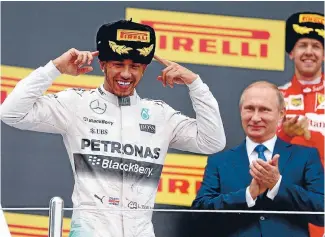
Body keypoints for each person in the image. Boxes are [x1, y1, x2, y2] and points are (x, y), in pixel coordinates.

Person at [0, 19, 226, 237]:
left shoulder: (160, 115)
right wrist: (55, 68)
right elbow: (10, 113)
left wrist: (195, 84)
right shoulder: (76, 105)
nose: (126, 74)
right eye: (118, 65)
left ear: (144, 69)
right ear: (103, 64)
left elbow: (212, 141)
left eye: (135, 66)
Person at [192, 81, 324, 237]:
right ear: (240, 111)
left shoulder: (305, 157)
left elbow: (321, 211)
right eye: (249, 109)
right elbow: (199, 214)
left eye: (264, 110)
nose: (255, 118)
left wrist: (277, 185)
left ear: (281, 114)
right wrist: (248, 194)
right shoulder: (219, 162)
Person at [277, 11, 324, 237]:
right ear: (291, 52)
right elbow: (257, 150)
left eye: (316, 45)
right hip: (288, 200)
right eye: (302, 44)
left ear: (323, 53)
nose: (309, 52)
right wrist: (284, 133)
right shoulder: (275, 97)